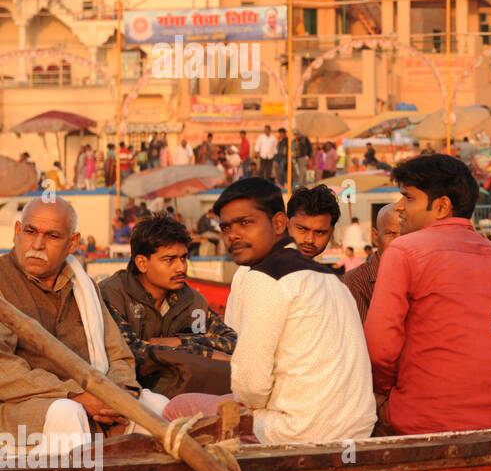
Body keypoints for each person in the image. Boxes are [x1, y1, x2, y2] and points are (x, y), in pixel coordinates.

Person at [163, 178, 376, 444]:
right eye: (226, 227)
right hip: (357, 428)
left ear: (278, 224)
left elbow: (251, 389)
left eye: (246, 223)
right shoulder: (331, 278)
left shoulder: (264, 277)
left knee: (177, 407)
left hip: (301, 430)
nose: (234, 235)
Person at [366, 156, 491, 434]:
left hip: (419, 420)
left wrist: (385, 393)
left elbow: (379, 350)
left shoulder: (404, 251)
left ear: (441, 206)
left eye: (409, 198)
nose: (400, 208)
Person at [0, 197, 155, 455]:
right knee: (67, 413)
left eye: (52, 236)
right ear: (17, 232)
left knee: (153, 406)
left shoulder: (84, 286)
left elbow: (116, 354)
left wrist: (119, 393)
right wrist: (75, 395)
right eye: (30, 232)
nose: (37, 245)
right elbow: (3, 368)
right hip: (17, 407)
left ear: (72, 242)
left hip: (93, 398)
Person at [98, 216, 236, 398]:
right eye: (170, 260)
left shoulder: (192, 302)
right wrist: (206, 354)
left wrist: (181, 343)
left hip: (179, 392)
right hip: (126, 394)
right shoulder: (111, 295)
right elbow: (131, 351)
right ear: (142, 263)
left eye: (183, 258)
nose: (181, 267)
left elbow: (232, 342)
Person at [342, 203, 403, 325]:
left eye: (407, 235)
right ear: (375, 237)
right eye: (391, 234)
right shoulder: (354, 282)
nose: (399, 242)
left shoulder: (423, 276)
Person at [286, 184, 341, 261]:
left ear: (331, 232)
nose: (310, 240)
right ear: (286, 223)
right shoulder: (267, 268)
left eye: (319, 232)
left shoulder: (319, 272)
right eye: (302, 229)